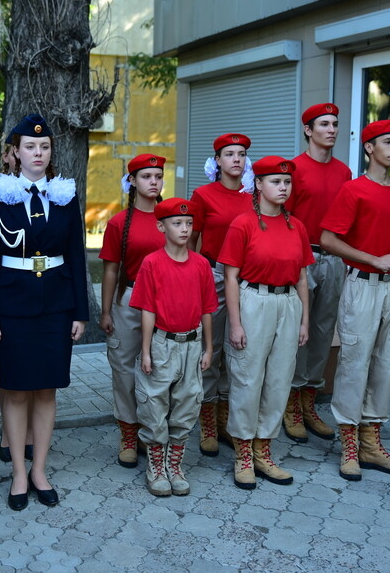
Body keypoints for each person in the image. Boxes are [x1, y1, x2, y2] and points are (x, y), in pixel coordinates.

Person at [0, 113, 88, 511]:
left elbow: (75, 255)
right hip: (13, 306)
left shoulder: (64, 194)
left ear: (50, 152)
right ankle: (19, 474)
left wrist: (80, 312)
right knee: (17, 391)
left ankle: (40, 470)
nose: (37, 153)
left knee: (47, 390)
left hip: (56, 305)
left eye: (44, 147)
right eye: (30, 147)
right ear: (16, 153)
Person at [320, 119, 390, 481]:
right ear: (369, 148)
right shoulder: (354, 190)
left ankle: (371, 443)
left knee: (383, 363)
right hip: (362, 285)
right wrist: (370, 258)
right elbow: (329, 239)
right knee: (355, 362)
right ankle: (348, 445)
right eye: (388, 142)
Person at [219, 156, 313, 489]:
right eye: (275, 181)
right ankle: (243, 454)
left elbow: (302, 277)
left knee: (279, 381)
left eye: (287, 182)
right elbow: (230, 277)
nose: (283, 187)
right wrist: (236, 323)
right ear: (258, 184)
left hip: (287, 303)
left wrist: (304, 320)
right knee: (247, 379)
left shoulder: (296, 226)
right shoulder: (243, 224)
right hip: (253, 302)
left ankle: (264, 451)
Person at [129, 198, 216, 496]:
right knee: (154, 404)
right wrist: (147, 350)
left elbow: (207, 308)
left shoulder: (201, 264)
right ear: (161, 226)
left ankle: (175, 463)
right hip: (162, 344)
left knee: (188, 402)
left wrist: (208, 347)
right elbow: (147, 309)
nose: (184, 229)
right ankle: (156, 463)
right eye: (177, 223)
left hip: (192, 345)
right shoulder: (152, 263)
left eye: (189, 223)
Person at [284, 103, 352, 443]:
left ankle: (310, 400)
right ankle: (291, 402)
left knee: (324, 331)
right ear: (308, 130)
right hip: (302, 258)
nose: (332, 129)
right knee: (300, 331)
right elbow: (284, 220)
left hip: (335, 260)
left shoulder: (344, 172)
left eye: (335, 124)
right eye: (324, 124)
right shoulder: (294, 169)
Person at [187, 133, 253, 457]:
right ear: (217, 161)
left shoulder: (253, 196)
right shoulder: (203, 195)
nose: (236, 160)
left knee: (237, 350)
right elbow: (190, 241)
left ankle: (227, 418)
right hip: (213, 275)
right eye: (229, 154)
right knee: (210, 351)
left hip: (247, 278)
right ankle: (208, 421)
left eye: (241, 154)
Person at [99, 154, 166, 468]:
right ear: (133, 182)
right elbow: (111, 270)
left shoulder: (172, 218)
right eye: (146, 176)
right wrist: (107, 311)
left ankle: (153, 431)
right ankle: (128, 433)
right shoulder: (118, 223)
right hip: (129, 301)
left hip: (166, 304)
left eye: (158, 176)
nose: (153, 182)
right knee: (125, 369)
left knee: (159, 368)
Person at [0, 139, 34, 465]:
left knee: (35, 369)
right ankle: (9, 429)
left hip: (40, 293)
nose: (19, 156)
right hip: (7, 294)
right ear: (7, 155)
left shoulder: (45, 190)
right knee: (8, 365)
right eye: (14, 150)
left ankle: (29, 430)